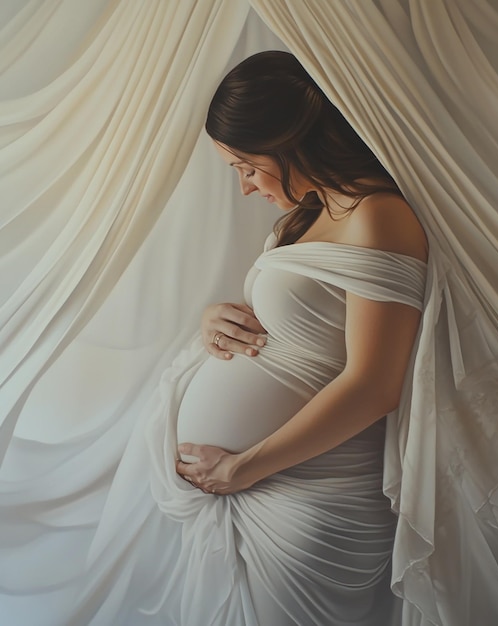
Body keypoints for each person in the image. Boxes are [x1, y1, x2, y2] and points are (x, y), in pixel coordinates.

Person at [73, 50, 428, 626]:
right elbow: (308, 324)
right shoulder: (311, 214)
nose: (244, 187)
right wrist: (220, 319)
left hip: (313, 495)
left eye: (247, 166)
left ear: (294, 142)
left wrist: (244, 468)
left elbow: (373, 383)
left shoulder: (378, 217)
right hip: (262, 484)